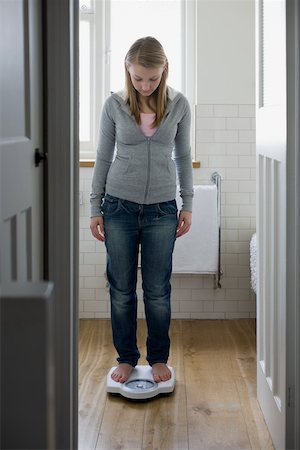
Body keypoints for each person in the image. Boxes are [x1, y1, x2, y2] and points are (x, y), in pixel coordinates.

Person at [90, 36, 193, 384]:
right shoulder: (114, 105)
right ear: (127, 72)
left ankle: (159, 357)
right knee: (121, 289)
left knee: (157, 290)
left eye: (152, 78)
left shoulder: (179, 104)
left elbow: (182, 156)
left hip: (162, 210)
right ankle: (127, 358)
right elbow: (103, 157)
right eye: (138, 78)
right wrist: (95, 207)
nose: (145, 85)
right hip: (118, 207)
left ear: (164, 71)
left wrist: (188, 204)